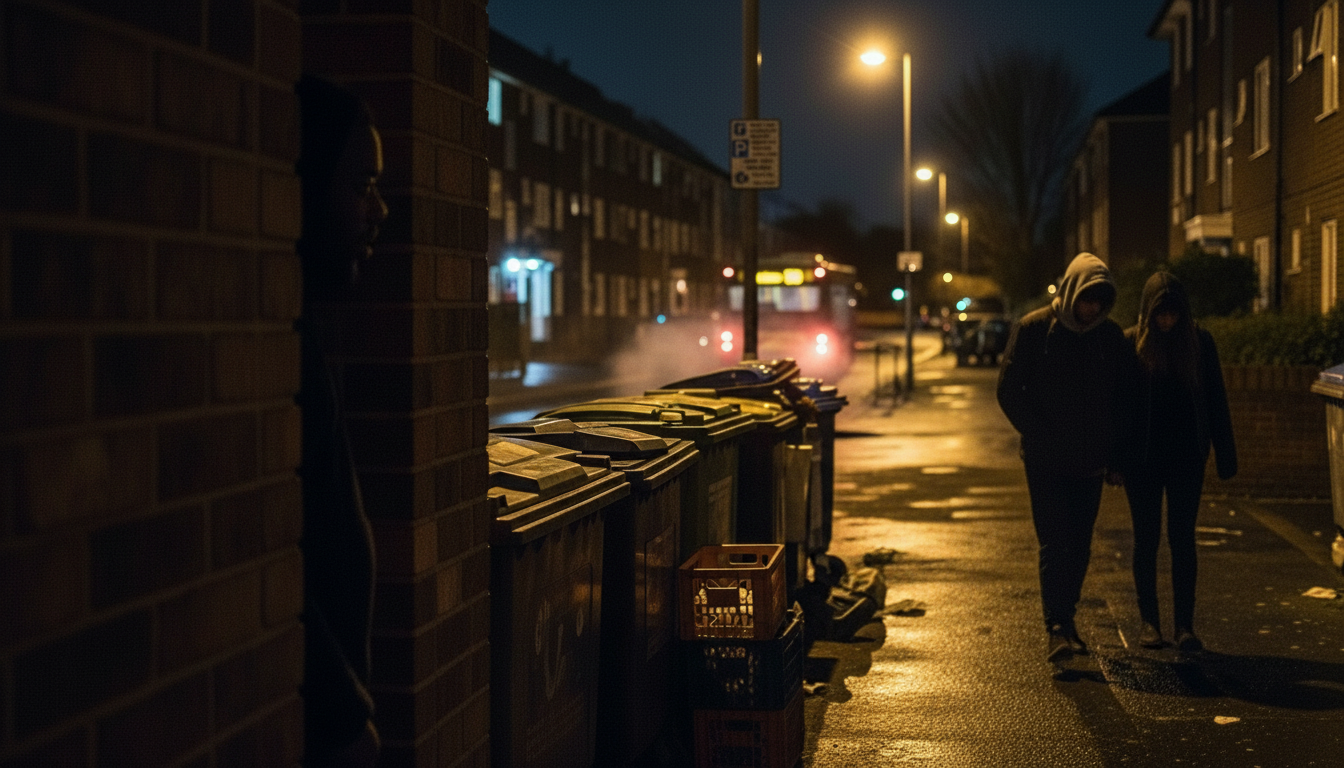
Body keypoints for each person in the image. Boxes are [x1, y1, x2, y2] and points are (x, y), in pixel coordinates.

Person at [295, 74, 389, 767]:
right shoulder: (276, 357)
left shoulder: (301, 340)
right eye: (361, 185)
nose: (379, 210)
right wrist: (341, 717)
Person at [997, 252, 1137, 663]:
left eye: (1099, 301)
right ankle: (1057, 625)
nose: (1091, 309)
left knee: (1079, 542)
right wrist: (1041, 433)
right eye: (1087, 299)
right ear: (1073, 291)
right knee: (1055, 541)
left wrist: (1116, 456)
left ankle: (1067, 618)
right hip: (1045, 459)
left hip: (1090, 458)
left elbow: (1123, 400)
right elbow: (1008, 391)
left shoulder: (1109, 338)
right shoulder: (1035, 329)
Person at [1122, 272, 1236, 653]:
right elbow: (1118, 409)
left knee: (1183, 540)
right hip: (1143, 460)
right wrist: (1115, 460)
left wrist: (1224, 453)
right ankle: (1149, 622)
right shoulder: (1131, 344)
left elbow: (1216, 398)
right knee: (1147, 540)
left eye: (1172, 315)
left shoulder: (1200, 343)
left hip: (1187, 458)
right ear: (1148, 313)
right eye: (1160, 315)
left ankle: (1184, 625)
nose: (1166, 322)